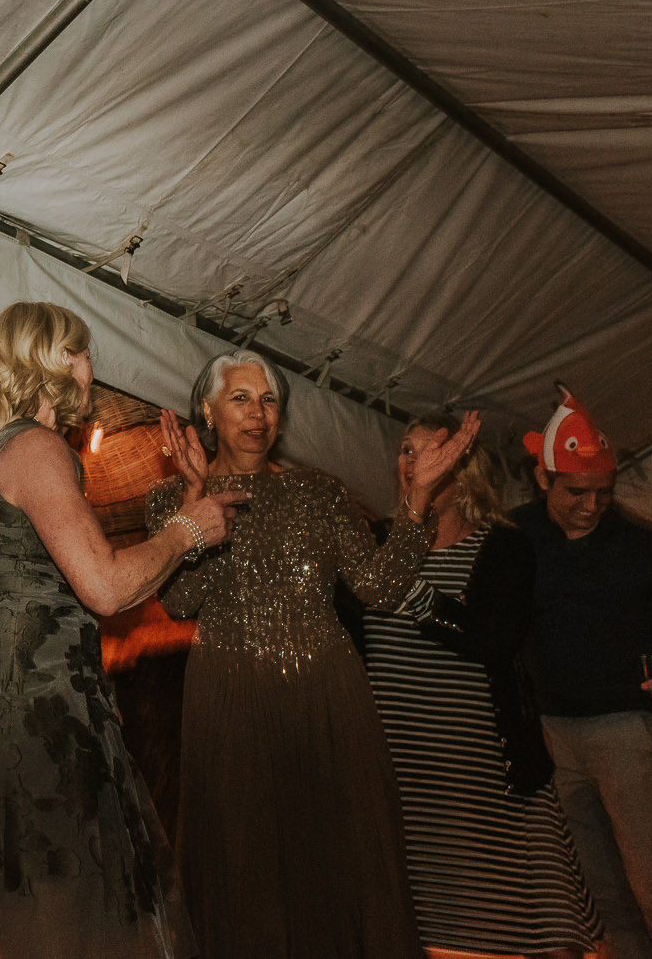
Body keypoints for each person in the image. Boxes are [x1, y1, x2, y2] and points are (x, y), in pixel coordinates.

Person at [0, 301, 243, 959]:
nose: (92, 367)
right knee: (64, 917)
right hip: (33, 712)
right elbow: (107, 586)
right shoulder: (37, 447)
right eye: (81, 352)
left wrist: (184, 533)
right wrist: (188, 529)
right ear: (54, 360)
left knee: (35, 912)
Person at [146, 350, 478, 959]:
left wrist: (419, 500)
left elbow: (379, 587)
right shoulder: (171, 498)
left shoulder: (318, 491)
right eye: (241, 398)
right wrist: (196, 502)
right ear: (209, 412)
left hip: (328, 697)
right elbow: (180, 602)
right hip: (230, 701)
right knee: (245, 865)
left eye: (269, 399)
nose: (258, 412)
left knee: (335, 862)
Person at [362, 413, 600, 959]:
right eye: (404, 450)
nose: (410, 463)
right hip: (403, 764)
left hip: (481, 764)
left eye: (425, 452)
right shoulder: (372, 542)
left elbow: (493, 641)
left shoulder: (503, 548)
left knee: (519, 925)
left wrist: (411, 592)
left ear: (463, 470)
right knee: (424, 926)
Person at [514, 387, 652, 959]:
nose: (591, 505)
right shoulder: (515, 539)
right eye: (576, 492)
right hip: (554, 733)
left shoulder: (646, 550)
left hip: (629, 729)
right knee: (604, 898)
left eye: (603, 493)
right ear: (543, 479)